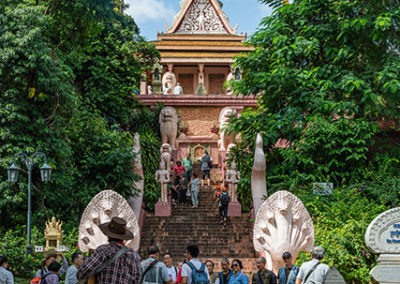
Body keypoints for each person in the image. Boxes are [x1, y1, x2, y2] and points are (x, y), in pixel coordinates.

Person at [77, 217, 141, 284]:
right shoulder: (134, 256)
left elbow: (83, 273)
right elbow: (137, 280)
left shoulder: (103, 251)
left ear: (108, 235)